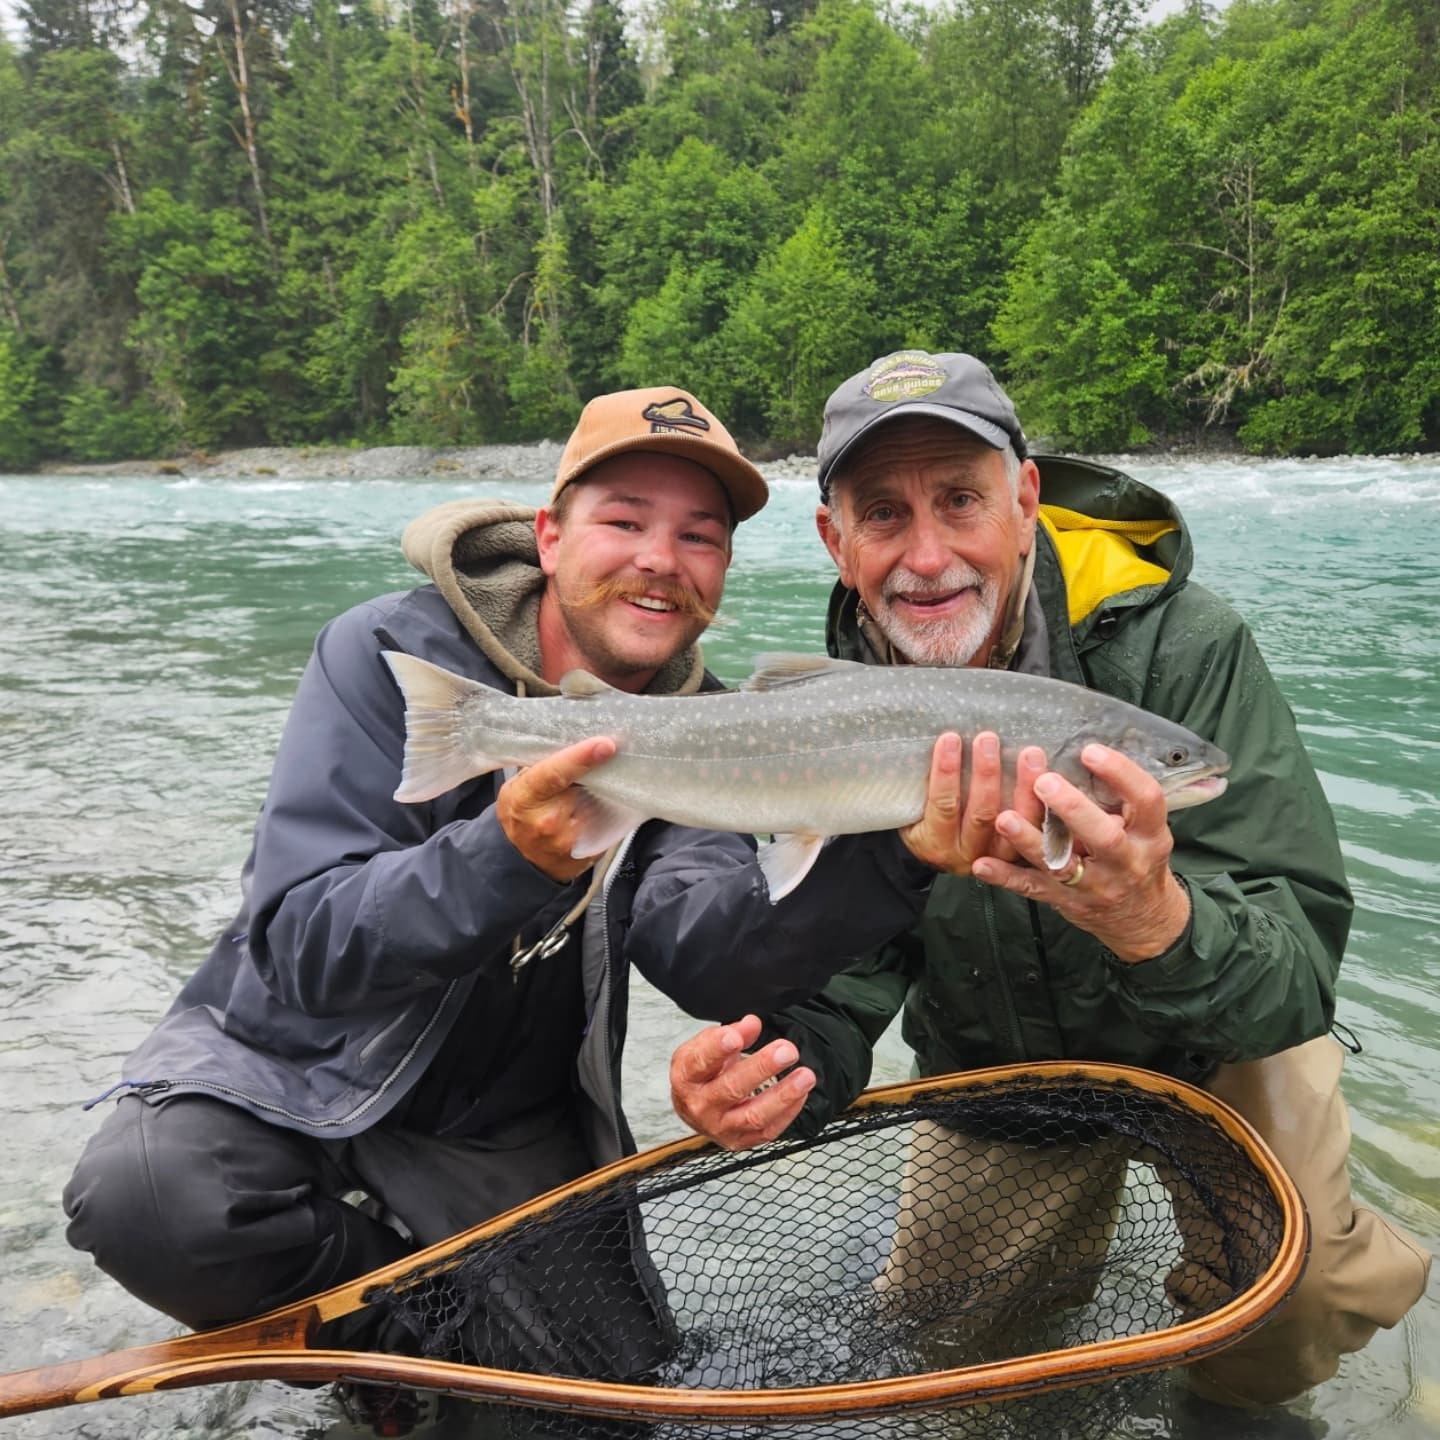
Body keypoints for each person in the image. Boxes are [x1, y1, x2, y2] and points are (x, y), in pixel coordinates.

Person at [61, 386, 933, 1435]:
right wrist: (505, 858)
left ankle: (449, 1338)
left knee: (606, 1411)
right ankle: (394, 1357)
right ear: (550, 536)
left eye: (699, 537)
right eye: (625, 522)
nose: (661, 559)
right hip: (297, 1072)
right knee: (150, 1195)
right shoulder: (388, 658)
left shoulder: (694, 729)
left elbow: (709, 959)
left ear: (722, 570)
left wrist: (895, 852)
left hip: (507, 1123)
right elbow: (301, 946)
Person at [667, 350, 1432, 1420]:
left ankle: (1224, 1414)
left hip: (1216, 1037)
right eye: (883, 514)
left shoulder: (1185, 647)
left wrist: (1154, 920)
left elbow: (1298, 972)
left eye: (961, 500)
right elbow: (853, 971)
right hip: (1005, 1066)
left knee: (1296, 1304)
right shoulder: (836, 711)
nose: (926, 556)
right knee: (954, 1361)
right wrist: (783, 1070)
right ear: (836, 543)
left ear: (1025, 502)